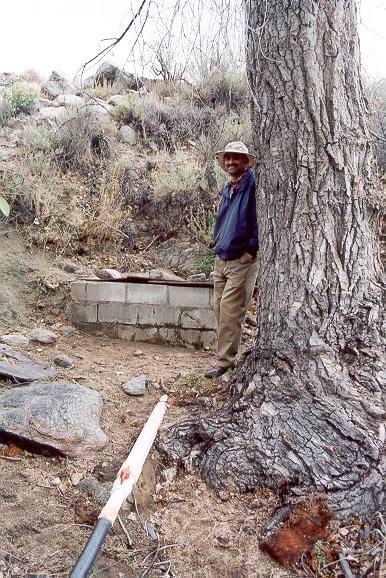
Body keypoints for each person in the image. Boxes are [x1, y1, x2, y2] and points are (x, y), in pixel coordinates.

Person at [205, 142, 259, 378]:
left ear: (246, 161)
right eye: (228, 158)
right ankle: (225, 354)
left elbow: (259, 219)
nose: (231, 162)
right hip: (223, 255)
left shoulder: (253, 184)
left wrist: (251, 250)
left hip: (242, 258)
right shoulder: (229, 187)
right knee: (219, 307)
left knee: (230, 309)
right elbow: (223, 219)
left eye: (236, 158)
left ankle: (225, 361)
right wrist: (216, 242)